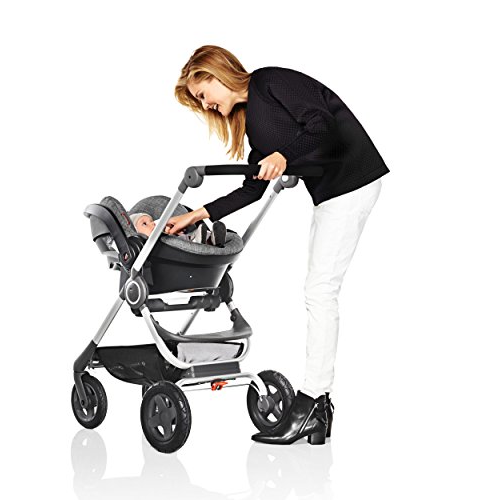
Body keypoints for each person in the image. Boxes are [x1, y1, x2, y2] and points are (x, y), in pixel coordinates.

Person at [168, 45, 390, 445]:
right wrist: (196, 215)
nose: (206, 105)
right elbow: (252, 188)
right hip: (335, 191)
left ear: (216, 74)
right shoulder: (255, 126)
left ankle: (313, 402)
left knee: (320, 291)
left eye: (203, 94)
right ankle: (317, 411)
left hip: (351, 180)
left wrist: (285, 156)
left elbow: (322, 125)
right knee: (319, 290)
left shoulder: (270, 81)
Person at [129, 212, 227, 247]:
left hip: (182, 240)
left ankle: (213, 239)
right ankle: (201, 240)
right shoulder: (144, 247)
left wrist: (175, 232)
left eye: (151, 221)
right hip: (181, 248)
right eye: (144, 224)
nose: (152, 224)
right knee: (189, 239)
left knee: (189, 235)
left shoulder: (162, 232)